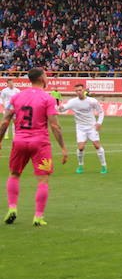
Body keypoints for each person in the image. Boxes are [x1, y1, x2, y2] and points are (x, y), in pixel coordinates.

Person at [0, 67, 68, 227]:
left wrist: (0, 140)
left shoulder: (16, 97)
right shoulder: (48, 98)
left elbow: (5, 121)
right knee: (43, 180)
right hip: (40, 143)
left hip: (20, 141)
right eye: (46, 75)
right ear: (42, 79)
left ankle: (12, 208)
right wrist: (63, 148)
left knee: (14, 174)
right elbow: (55, 126)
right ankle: (38, 216)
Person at [59, 83, 107, 174]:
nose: (78, 92)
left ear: (84, 90)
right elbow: (63, 109)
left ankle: (104, 166)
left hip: (91, 126)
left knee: (97, 145)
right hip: (80, 127)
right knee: (81, 148)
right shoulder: (73, 102)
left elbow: (101, 112)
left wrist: (99, 123)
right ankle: (80, 166)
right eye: (76, 91)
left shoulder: (92, 101)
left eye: (80, 90)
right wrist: (60, 108)